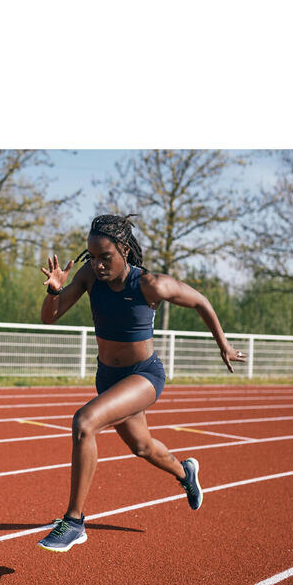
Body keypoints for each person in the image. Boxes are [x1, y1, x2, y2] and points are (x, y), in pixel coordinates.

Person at [36, 214, 247, 552]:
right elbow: (50, 316)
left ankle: (74, 522)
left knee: (85, 422)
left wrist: (223, 344)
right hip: (108, 378)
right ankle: (185, 473)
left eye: (107, 257)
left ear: (124, 250)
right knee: (142, 447)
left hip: (144, 376)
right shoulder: (89, 276)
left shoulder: (150, 284)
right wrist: (54, 290)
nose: (100, 265)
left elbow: (201, 302)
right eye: (93, 257)